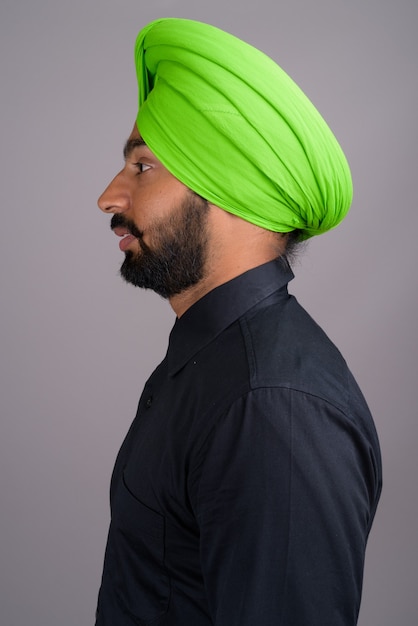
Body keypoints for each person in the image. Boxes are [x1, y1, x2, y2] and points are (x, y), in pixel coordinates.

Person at [95, 17, 382, 626]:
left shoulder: (272, 406)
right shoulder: (213, 364)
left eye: (143, 167)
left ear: (228, 190)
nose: (110, 198)